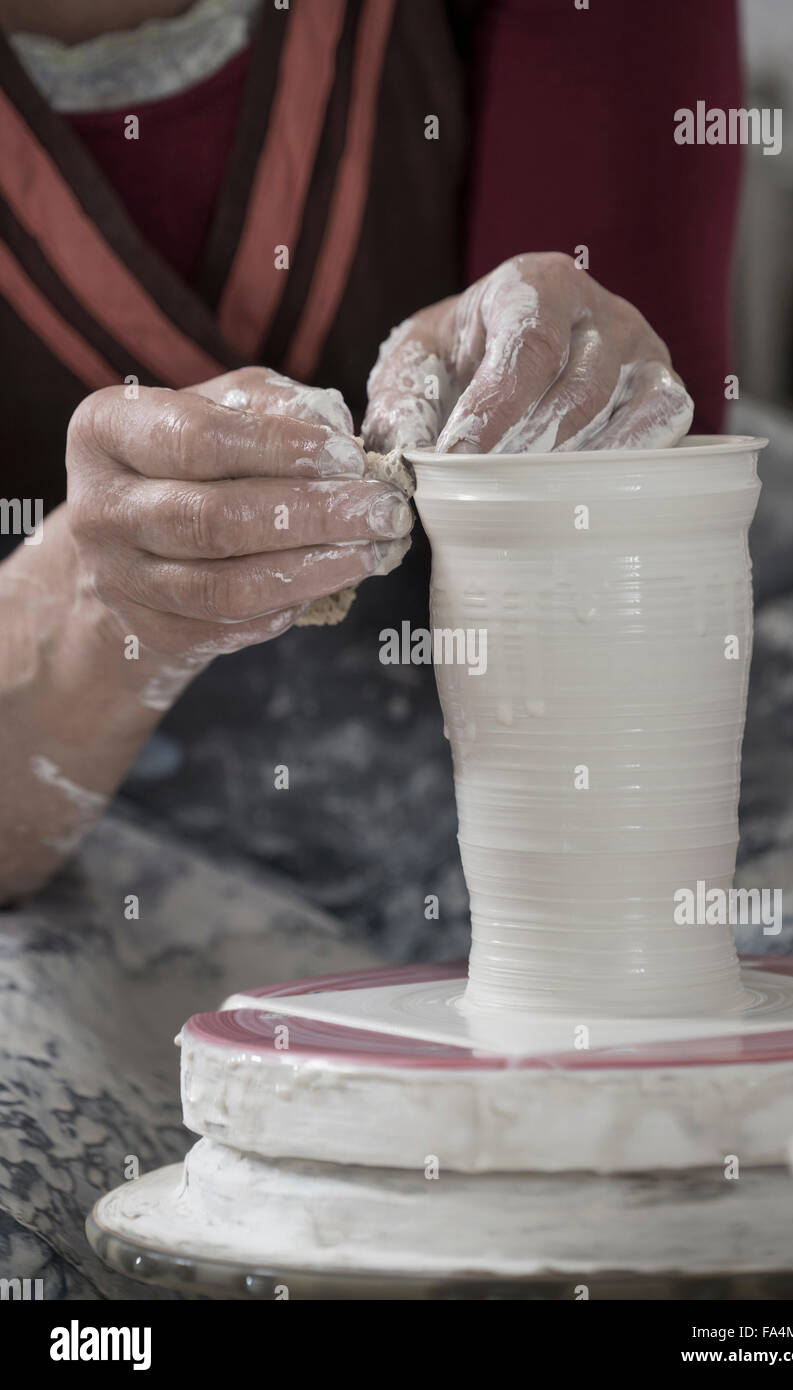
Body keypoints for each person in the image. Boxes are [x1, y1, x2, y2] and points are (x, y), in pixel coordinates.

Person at [0, 0, 742, 944]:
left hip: (521, 757)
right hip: (61, 802)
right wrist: (98, 601)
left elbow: (638, 557)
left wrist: (552, 418)